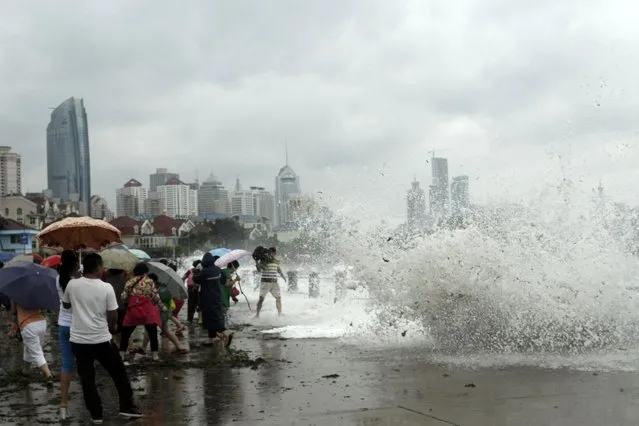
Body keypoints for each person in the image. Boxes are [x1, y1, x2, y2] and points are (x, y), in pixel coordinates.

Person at [62, 253, 142, 423]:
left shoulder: (72, 284)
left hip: (78, 340)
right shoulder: (106, 287)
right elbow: (112, 314)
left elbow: (66, 305)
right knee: (118, 373)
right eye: (102, 266)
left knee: (87, 378)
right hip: (101, 339)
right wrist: (113, 327)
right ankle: (127, 407)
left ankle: (96, 414)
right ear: (98, 268)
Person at [119, 263, 165, 362]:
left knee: (125, 333)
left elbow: (123, 297)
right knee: (152, 332)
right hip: (147, 310)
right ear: (145, 271)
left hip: (133, 310)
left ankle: (121, 355)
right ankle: (155, 355)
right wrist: (161, 306)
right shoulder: (149, 281)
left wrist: (129, 301)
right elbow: (155, 296)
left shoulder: (130, 282)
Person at [57, 250, 80, 421]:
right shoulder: (76, 283)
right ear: (75, 264)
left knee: (66, 365)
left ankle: (63, 407)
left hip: (63, 324)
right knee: (85, 364)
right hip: (78, 326)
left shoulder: (58, 279)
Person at [193, 253, 233, 347]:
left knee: (211, 318)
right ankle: (210, 339)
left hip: (207, 298)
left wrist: (195, 272)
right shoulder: (217, 269)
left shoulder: (205, 271)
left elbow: (196, 279)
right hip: (217, 297)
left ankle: (226, 333)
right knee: (215, 316)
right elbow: (223, 281)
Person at [142, 273, 188, 354]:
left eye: (148, 279)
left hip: (160, 313)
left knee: (156, 330)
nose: (146, 281)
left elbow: (165, 299)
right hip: (159, 312)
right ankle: (179, 346)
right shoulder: (157, 287)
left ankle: (143, 348)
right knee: (161, 330)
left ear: (153, 280)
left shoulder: (160, 289)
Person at [10, 300, 53, 385]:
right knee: (28, 348)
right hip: (41, 322)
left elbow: (13, 313)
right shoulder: (35, 292)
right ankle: (26, 370)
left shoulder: (15, 294)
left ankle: (48, 375)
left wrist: (13, 329)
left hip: (28, 325)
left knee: (36, 352)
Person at [255, 247, 286, 318]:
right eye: (272, 252)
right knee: (261, 299)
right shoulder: (264, 260)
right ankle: (257, 315)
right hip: (265, 282)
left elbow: (278, 269)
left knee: (278, 298)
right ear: (269, 252)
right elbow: (259, 269)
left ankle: (280, 314)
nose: (273, 254)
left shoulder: (276, 260)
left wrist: (283, 276)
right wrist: (257, 263)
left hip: (274, 283)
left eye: (274, 252)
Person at [103, 269, 128, 346]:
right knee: (120, 328)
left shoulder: (106, 281)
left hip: (108, 308)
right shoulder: (124, 281)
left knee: (108, 327)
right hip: (121, 307)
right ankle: (118, 345)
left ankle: (109, 343)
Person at [220, 261, 240, 329]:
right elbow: (227, 284)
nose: (236, 270)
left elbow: (227, 287)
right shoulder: (227, 273)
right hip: (223, 297)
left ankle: (224, 327)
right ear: (233, 267)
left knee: (224, 313)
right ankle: (224, 329)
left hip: (221, 295)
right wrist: (236, 280)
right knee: (224, 313)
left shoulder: (223, 271)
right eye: (236, 268)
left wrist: (233, 297)